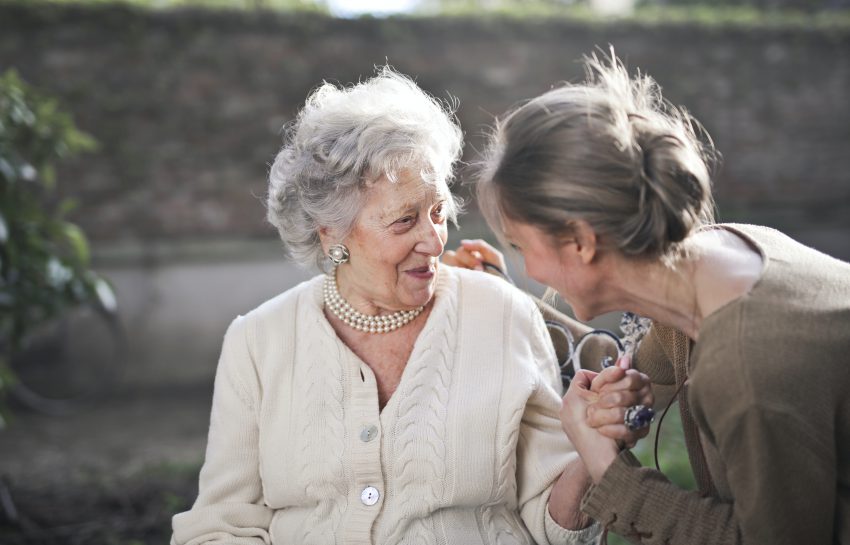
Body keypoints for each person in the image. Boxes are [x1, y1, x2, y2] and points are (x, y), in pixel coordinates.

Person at [170, 68, 652, 545]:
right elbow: (222, 524)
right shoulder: (258, 341)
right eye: (404, 221)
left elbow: (550, 524)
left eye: (438, 212)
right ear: (331, 233)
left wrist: (593, 449)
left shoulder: (503, 314)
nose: (434, 240)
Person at [472, 50, 850, 545]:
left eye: (522, 247)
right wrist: (617, 398)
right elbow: (638, 372)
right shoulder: (720, 256)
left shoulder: (746, 368)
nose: (530, 270)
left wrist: (609, 470)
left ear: (581, 242)